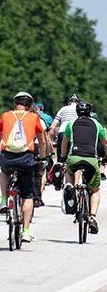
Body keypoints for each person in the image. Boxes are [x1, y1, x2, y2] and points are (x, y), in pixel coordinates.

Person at [0, 92, 45, 242]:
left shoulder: (5, 116)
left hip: (7, 156)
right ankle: (26, 231)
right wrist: (42, 157)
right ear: (29, 106)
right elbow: (42, 141)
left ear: (14, 104)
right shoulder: (34, 117)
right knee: (27, 194)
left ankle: (4, 200)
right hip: (26, 158)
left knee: (4, 171)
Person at [61, 101, 107, 234]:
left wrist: (63, 157)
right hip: (92, 159)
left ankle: (70, 187)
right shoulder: (97, 125)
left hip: (74, 157)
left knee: (70, 172)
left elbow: (64, 142)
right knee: (95, 190)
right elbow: (105, 144)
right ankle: (92, 217)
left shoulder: (71, 124)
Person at [50, 94, 80, 162]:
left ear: (69, 102)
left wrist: (52, 139)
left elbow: (53, 126)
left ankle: (59, 167)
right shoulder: (79, 109)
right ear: (78, 102)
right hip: (75, 134)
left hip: (62, 132)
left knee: (60, 159)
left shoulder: (63, 109)